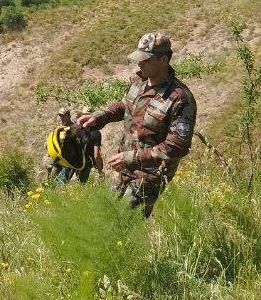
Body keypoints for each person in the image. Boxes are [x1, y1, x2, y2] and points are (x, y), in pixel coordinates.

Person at [77, 32, 196, 217]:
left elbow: (177, 146)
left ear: (163, 59)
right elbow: (126, 106)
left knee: (124, 226)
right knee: (103, 216)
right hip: (122, 169)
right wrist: (101, 117)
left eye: (145, 60)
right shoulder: (139, 81)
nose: (139, 63)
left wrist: (133, 157)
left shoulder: (180, 98)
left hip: (148, 176)